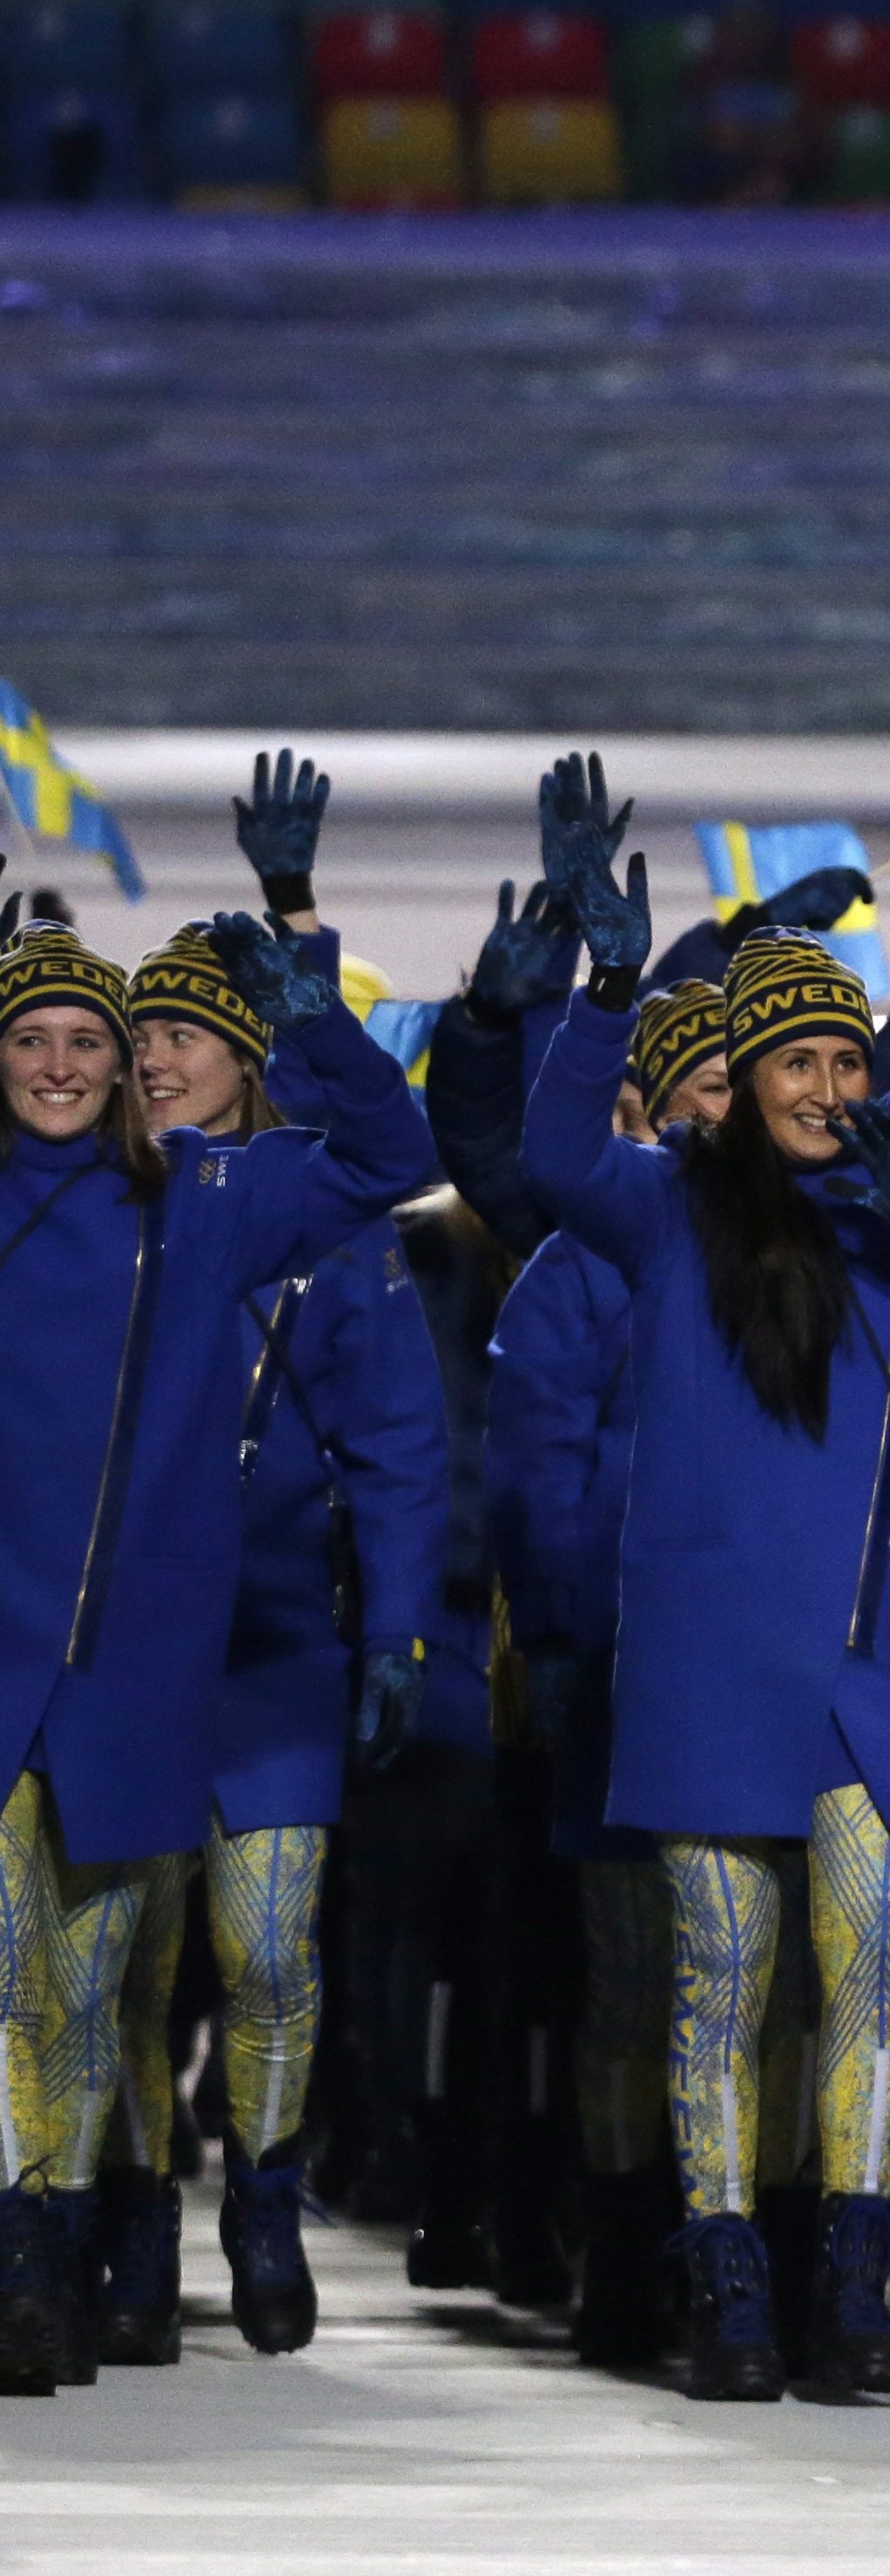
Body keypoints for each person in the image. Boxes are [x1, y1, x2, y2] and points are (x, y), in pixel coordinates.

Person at [520, 760, 890, 2403]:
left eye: (850, 1056)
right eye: (798, 1059)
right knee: (718, 1987)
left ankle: (848, 2279)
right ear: (745, 1080)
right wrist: (604, 980)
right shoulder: (665, 1212)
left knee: (868, 1979)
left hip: (867, 1679)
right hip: (705, 1670)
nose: (828, 1082)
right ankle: (725, 2287)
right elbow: (556, 1152)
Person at [0, 908, 434, 2397]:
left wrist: (399, 1616)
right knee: (85, 1971)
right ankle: (85, 2238)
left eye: (172, 1036)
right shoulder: (68, 1203)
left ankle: (252, 2194)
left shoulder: (251, 1213)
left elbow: (397, 1439)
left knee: (249, 1952)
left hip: (241, 1648)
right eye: (148, 1033)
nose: (155, 1061)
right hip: (78, 1645)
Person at [483, 977, 731, 2369]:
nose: (720, 1108)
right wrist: (578, 1645)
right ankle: (629, 2257)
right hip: (626, 1684)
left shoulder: (811, 1240)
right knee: (641, 1982)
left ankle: (760, 2251)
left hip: (766, 1679)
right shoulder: (579, 1265)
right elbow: (534, 1480)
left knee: (783, 1990)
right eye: (701, 1083)